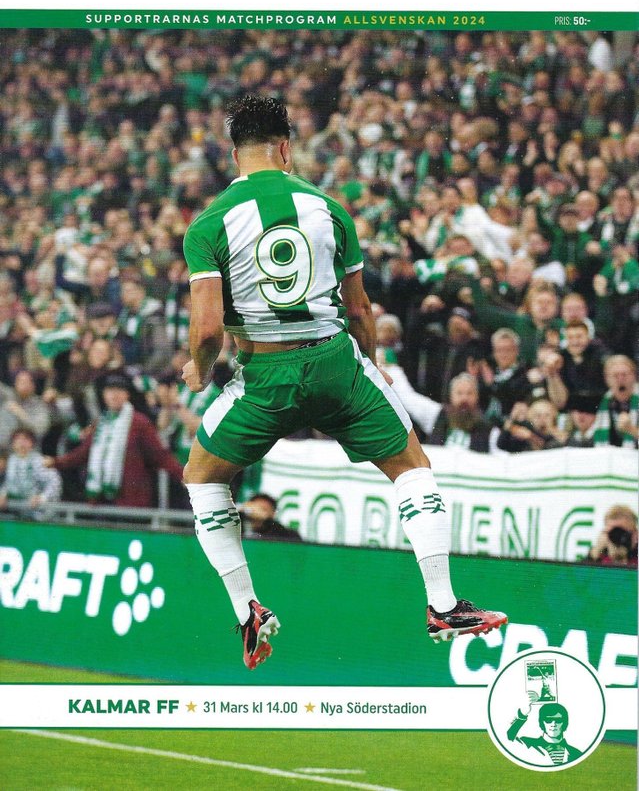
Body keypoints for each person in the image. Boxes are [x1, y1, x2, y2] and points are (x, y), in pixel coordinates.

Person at [181, 96, 506, 670]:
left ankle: (247, 609)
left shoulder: (208, 225)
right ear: (286, 149)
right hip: (335, 362)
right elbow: (359, 310)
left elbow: (207, 331)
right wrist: (370, 368)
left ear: (234, 155)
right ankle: (443, 604)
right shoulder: (329, 209)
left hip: (265, 376)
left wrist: (199, 368)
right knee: (411, 466)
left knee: (203, 477)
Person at [45, 373, 184, 507]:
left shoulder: (139, 423)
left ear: (127, 395)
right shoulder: (101, 423)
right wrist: (56, 462)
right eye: (110, 391)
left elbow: (160, 456)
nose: (114, 395)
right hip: (101, 499)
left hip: (131, 501)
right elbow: (83, 453)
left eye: (119, 390)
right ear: (104, 395)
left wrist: (183, 475)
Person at [0, 427, 61, 519]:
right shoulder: (11, 460)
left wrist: (42, 497)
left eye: (26, 439)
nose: (21, 443)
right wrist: (3, 494)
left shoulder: (39, 461)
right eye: (18, 439)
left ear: (32, 443)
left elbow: (55, 481)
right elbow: (8, 483)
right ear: (12, 444)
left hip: (40, 514)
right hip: (19, 512)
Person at [507, 700, 582, 766]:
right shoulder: (528, 743)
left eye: (558, 720)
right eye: (548, 720)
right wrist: (522, 716)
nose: (553, 724)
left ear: (565, 723)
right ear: (541, 722)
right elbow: (509, 739)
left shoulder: (576, 753)